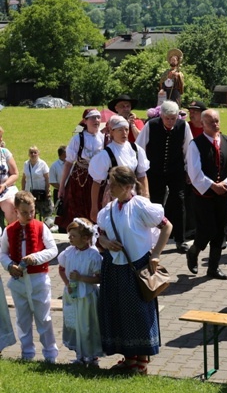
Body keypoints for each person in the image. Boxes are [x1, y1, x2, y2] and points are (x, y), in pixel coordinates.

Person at [97, 166, 173, 374]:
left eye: (114, 184)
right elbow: (100, 234)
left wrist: (156, 254)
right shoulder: (109, 210)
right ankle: (129, 358)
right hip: (113, 266)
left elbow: (167, 226)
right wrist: (105, 241)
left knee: (138, 314)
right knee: (119, 312)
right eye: (109, 183)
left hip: (137, 267)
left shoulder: (140, 206)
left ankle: (141, 360)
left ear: (127, 186)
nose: (109, 187)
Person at [0, 191, 58, 362]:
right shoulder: (10, 230)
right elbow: (2, 253)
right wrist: (10, 265)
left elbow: (53, 250)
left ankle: (50, 354)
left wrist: (36, 257)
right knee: (23, 319)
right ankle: (27, 353)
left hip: (39, 278)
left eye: (32, 211)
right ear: (16, 211)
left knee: (44, 318)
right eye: (24, 212)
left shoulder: (41, 227)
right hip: (19, 281)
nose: (29, 215)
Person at [186, 109, 227, 279]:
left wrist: (226, 183)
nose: (215, 125)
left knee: (220, 231)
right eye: (211, 122)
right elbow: (195, 172)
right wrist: (211, 185)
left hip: (222, 194)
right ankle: (194, 251)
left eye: (217, 121)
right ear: (202, 124)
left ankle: (213, 268)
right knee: (206, 229)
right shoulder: (196, 144)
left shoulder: (226, 141)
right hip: (204, 196)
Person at [136, 100, 193, 253]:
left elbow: (189, 149)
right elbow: (139, 147)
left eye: (173, 118)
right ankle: (152, 239)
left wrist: (188, 170)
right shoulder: (151, 125)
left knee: (179, 201)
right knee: (155, 202)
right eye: (167, 118)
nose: (170, 121)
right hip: (155, 170)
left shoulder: (183, 126)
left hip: (176, 170)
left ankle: (180, 240)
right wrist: (141, 169)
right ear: (161, 115)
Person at [58, 217, 103, 366]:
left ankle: (91, 356)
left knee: (87, 325)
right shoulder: (69, 252)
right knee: (75, 324)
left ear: (85, 238)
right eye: (69, 235)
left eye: (73, 236)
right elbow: (62, 269)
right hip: (72, 294)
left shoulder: (93, 255)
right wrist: (67, 284)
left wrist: (81, 278)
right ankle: (79, 355)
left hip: (86, 296)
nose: (70, 238)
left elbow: (99, 278)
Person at [88, 115, 150, 223]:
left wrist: (146, 196)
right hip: (115, 195)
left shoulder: (135, 149)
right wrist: (94, 208)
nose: (124, 133)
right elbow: (96, 182)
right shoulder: (105, 154)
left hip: (134, 193)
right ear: (111, 132)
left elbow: (142, 175)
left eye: (126, 129)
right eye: (120, 130)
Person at [57, 109, 104, 232]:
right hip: (80, 180)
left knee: (97, 207)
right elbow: (68, 164)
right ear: (85, 121)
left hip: (99, 179)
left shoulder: (104, 138)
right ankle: (80, 238)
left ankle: (97, 238)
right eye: (93, 118)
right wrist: (62, 186)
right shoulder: (78, 139)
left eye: (98, 117)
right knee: (78, 209)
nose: (96, 120)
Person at [21, 146, 52, 220]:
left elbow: (47, 178)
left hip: (40, 192)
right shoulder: (26, 164)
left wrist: (48, 191)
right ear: (29, 154)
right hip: (29, 193)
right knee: (30, 212)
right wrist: (22, 191)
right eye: (31, 152)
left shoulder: (42, 164)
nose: (33, 154)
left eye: (35, 152)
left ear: (38, 154)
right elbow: (24, 178)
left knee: (44, 213)